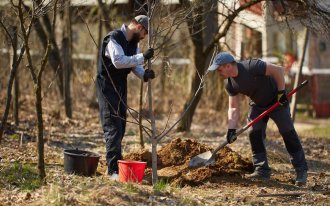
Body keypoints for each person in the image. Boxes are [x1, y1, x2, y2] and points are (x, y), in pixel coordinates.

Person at [207, 52, 308, 186]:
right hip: (258, 104)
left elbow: (278, 70)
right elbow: (233, 108)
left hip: (277, 101)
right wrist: (231, 129)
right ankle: (262, 170)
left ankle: (301, 170)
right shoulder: (229, 84)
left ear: (228, 66)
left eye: (219, 69)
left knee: (287, 132)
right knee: (254, 133)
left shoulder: (251, 66)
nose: (218, 73)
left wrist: (281, 93)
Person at [96, 15, 155, 178]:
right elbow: (118, 61)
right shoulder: (113, 38)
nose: (144, 37)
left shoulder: (133, 44)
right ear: (138, 27)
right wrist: (143, 56)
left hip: (121, 86)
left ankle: (116, 163)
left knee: (120, 125)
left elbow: (134, 65)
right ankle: (113, 170)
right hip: (107, 86)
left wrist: (145, 74)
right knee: (112, 125)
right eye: (145, 33)